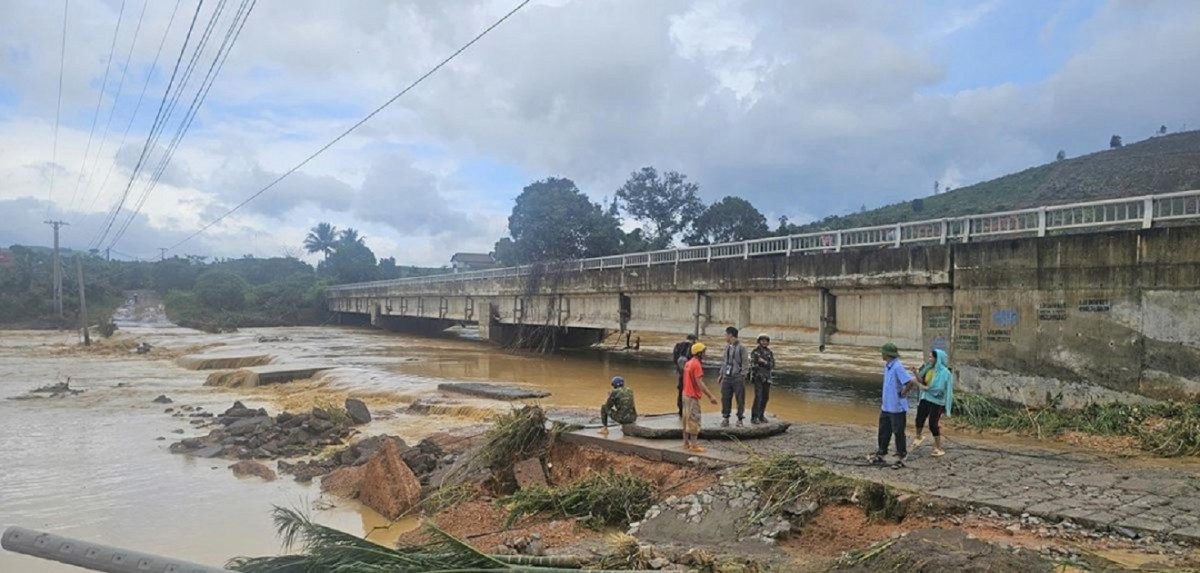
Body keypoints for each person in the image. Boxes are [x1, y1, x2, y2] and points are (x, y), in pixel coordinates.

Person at [870, 343, 915, 469]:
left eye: (883, 353)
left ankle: (901, 456)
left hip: (897, 407)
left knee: (898, 432)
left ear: (887, 354)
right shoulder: (888, 366)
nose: (881, 355)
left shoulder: (897, 367)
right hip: (886, 406)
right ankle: (881, 453)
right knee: (884, 431)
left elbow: (910, 382)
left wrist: (904, 393)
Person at [911, 348, 954, 457]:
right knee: (919, 418)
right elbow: (923, 381)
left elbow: (939, 389)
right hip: (925, 398)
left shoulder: (945, 373)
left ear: (937, 358)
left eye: (931, 357)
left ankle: (938, 448)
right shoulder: (928, 369)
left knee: (933, 424)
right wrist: (916, 373)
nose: (929, 359)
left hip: (937, 401)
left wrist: (923, 387)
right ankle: (919, 436)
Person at [681, 342, 719, 452]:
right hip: (692, 396)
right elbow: (700, 383)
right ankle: (694, 445)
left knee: (685, 419)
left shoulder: (688, 363)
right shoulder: (696, 364)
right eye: (704, 352)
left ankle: (685, 443)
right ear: (699, 353)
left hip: (685, 394)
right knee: (694, 419)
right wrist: (710, 396)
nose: (705, 354)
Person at [717, 326, 749, 427]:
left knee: (740, 398)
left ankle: (740, 418)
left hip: (737, 377)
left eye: (726, 334)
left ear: (730, 335)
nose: (725, 337)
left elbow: (745, 363)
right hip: (727, 376)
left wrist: (742, 375)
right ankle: (726, 417)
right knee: (725, 397)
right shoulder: (726, 347)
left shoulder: (742, 347)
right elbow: (724, 362)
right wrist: (721, 374)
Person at [749, 334, 775, 424]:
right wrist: (764, 366)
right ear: (759, 341)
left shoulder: (769, 352)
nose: (764, 342)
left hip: (767, 378)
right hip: (758, 377)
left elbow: (772, 365)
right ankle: (754, 417)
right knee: (758, 397)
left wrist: (763, 362)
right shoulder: (755, 352)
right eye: (762, 340)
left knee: (765, 397)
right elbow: (753, 365)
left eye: (766, 341)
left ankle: (761, 415)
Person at [672, 334, 699, 417]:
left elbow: (674, 359)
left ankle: (680, 410)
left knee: (681, 391)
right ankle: (688, 410)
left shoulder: (678, 346)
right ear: (693, 340)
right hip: (690, 375)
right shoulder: (693, 348)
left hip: (681, 373)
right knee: (690, 392)